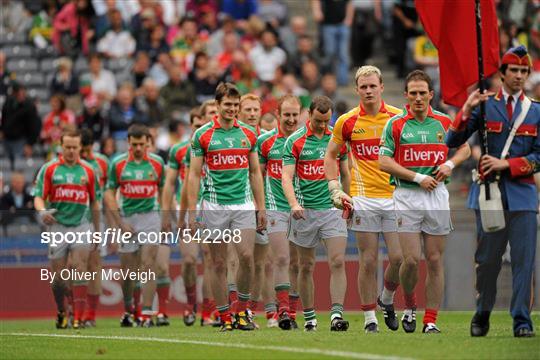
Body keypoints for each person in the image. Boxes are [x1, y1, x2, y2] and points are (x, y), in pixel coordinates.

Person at [446, 46, 540, 338]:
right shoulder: (486, 105)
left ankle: (521, 320)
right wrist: (467, 109)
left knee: (524, 261)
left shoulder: (536, 111)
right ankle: (483, 311)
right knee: (487, 260)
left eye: (524, 72)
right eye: (514, 71)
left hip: (523, 196)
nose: (520, 76)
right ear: (502, 74)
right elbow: (453, 139)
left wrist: (506, 163)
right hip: (489, 196)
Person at [378, 70, 471, 333]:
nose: (418, 98)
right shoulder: (395, 124)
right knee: (410, 259)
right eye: (413, 93)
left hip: (437, 196)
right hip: (407, 196)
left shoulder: (444, 122)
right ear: (406, 95)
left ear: (431, 94)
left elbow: (464, 148)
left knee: (434, 259)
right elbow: (383, 161)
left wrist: (451, 164)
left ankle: (430, 321)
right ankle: (409, 307)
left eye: (423, 93)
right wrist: (418, 177)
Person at [325, 65, 403, 333]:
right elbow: (331, 155)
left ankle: (388, 298)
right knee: (368, 260)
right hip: (363, 198)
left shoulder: (397, 118)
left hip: (395, 197)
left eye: (373, 86)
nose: (368, 90)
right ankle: (370, 319)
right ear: (357, 89)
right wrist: (335, 187)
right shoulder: (346, 121)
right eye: (363, 86)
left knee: (400, 257)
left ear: (382, 87)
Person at [187, 83, 266, 331]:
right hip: (214, 205)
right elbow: (193, 175)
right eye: (227, 105)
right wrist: (192, 212)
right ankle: (225, 316)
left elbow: (255, 172)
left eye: (235, 105)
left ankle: (242, 312)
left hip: (242, 204)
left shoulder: (248, 135)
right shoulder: (203, 135)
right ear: (218, 105)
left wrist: (260, 207)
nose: (232, 109)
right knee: (218, 263)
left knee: (246, 257)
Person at [282, 95, 350, 332]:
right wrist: (293, 204)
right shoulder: (294, 141)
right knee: (306, 265)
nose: (323, 125)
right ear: (308, 115)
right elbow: (286, 177)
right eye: (319, 121)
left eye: (326, 121)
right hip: (305, 211)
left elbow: (345, 172)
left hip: (333, 209)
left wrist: (347, 199)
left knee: (338, 261)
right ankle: (310, 317)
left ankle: (336, 316)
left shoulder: (337, 138)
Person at [33, 128, 100, 329]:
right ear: (61, 147)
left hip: (82, 224)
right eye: (67, 147)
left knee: (80, 269)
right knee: (59, 280)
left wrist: (97, 231)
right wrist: (42, 211)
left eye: (74, 147)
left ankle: (78, 317)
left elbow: (95, 202)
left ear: (81, 147)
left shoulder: (88, 170)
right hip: (58, 227)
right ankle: (63, 311)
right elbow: (38, 196)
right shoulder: (50, 169)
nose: (71, 151)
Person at [104, 124, 165, 328]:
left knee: (149, 265)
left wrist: (165, 218)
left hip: (150, 218)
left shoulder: (157, 163)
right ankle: (129, 309)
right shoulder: (118, 164)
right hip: (127, 218)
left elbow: (164, 189)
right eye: (134, 144)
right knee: (129, 272)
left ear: (148, 142)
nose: (138, 148)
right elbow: (109, 193)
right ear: (128, 143)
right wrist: (119, 223)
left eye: (141, 144)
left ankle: (147, 313)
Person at [257, 94, 303, 330]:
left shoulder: (306, 141)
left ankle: (292, 313)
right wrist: (260, 207)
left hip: (300, 208)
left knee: (296, 262)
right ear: (278, 114)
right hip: (275, 207)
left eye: (295, 115)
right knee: (282, 258)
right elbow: (256, 175)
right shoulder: (265, 142)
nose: (291, 119)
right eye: (287, 115)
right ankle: (282, 310)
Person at [79, 129, 109, 327]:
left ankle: (90, 314)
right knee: (73, 268)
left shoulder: (102, 163)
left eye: (88, 150)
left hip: (94, 221)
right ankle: (73, 310)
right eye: (83, 151)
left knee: (94, 267)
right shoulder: (63, 164)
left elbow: (107, 194)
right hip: (70, 221)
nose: (85, 155)